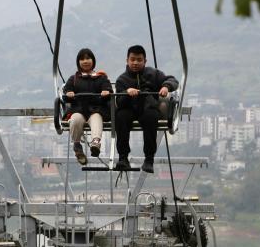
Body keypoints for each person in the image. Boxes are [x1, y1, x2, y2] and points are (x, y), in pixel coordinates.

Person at [114, 44, 179, 173]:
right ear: (127, 60)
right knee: (121, 117)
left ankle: (149, 159)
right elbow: (119, 102)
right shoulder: (122, 79)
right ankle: (123, 158)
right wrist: (127, 93)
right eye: (132, 59)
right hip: (129, 108)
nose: (135, 63)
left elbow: (173, 80)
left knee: (151, 117)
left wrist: (165, 86)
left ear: (145, 61)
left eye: (139, 60)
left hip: (148, 106)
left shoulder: (154, 74)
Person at [62, 48, 113, 165]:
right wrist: (69, 93)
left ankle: (96, 142)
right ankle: (77, 144)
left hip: (96, 109)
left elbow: (107, 88)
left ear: (93, 61)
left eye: (88, 58)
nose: (85, 61)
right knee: (75, 119)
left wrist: (106, 91)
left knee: (96, 118)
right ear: (78, 62)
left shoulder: (101, 77)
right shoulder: (74, 78)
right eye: (82, 59)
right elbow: (67, 91)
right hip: (78, 109)